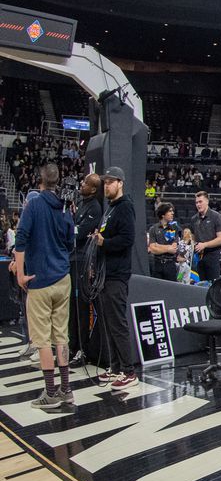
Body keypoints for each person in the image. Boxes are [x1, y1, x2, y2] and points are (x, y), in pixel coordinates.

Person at [14, 163, 75, 411]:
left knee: (42, 341)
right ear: (57, 181)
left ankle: (50, 393)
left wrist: (20, 273)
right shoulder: (63, 207)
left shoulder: (35, 205)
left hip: (40, 280)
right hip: (63, 278)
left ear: (40, 181)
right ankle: (66, 389)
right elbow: (71, 242)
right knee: (61, 336)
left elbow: (20, 239)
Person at [93, 167, 140, 389]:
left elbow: (128, 239)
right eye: (105, 183)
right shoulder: (110, 208)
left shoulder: (125, 207)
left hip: (117, 274)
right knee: (108, 322)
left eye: (110, 182)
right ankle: (115, 367)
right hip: (105, 273)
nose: (106, 186)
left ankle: (129, 371)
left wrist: (105, 243)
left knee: (118, 323)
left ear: (120, 183)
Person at [68, 172, 102, 368]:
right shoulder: (81, 204)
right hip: (72, 258)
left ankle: (82, 348)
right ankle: (72, 345)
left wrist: (71, 228)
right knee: (72, 306)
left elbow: (78, 233)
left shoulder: (95, 208)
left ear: (93, 189)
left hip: (83, 261)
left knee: (81, 306)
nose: (81, 185)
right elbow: (73, 228)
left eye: (85, 183)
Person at [191, 190, 221, 283]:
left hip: (213, 257)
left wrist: (204, 245)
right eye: (196, 202)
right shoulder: (194, 219)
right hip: (198, 258)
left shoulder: (216, 217)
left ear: (207, 201)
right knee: (199, 286)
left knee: (214, 287)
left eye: (200, 202)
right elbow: (193, 238)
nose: (198, 204)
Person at [147, 202, 179, 281]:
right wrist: (168, 248)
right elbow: (152, 249)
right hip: (157, 264)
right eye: (170, 211)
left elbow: (174, 249)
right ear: (163, 214)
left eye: (172, 211)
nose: (172, 213)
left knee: (171, 290)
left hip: (170, 264)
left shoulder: (174, 228)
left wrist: (158, 245)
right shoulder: (153, 229)